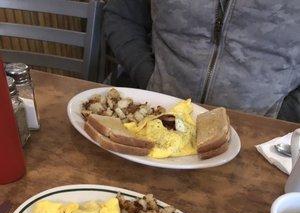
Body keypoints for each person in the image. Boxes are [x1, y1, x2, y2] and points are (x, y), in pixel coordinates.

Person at [103, 0, 300, 122]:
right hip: (155, 115)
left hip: (261, 138)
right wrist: (147, 76)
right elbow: (121, 16)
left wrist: (282, 115)